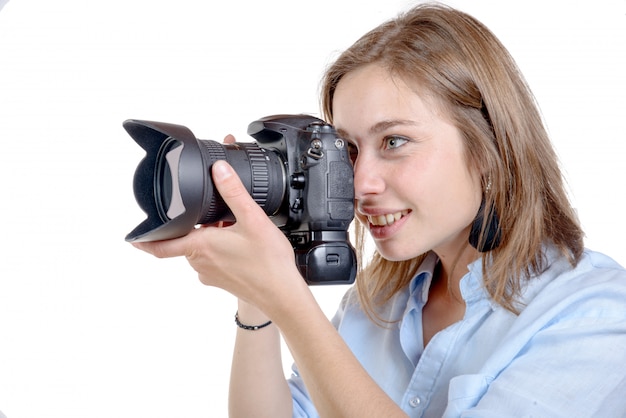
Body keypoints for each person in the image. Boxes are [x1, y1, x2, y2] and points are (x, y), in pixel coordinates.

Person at [133, 3, 626, 417]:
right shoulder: (378, 300)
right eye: (346, 148)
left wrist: (289, 299)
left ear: (489, 150)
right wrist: (256, 297)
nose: (361, 183)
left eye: (394, 141)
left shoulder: (594, 315)